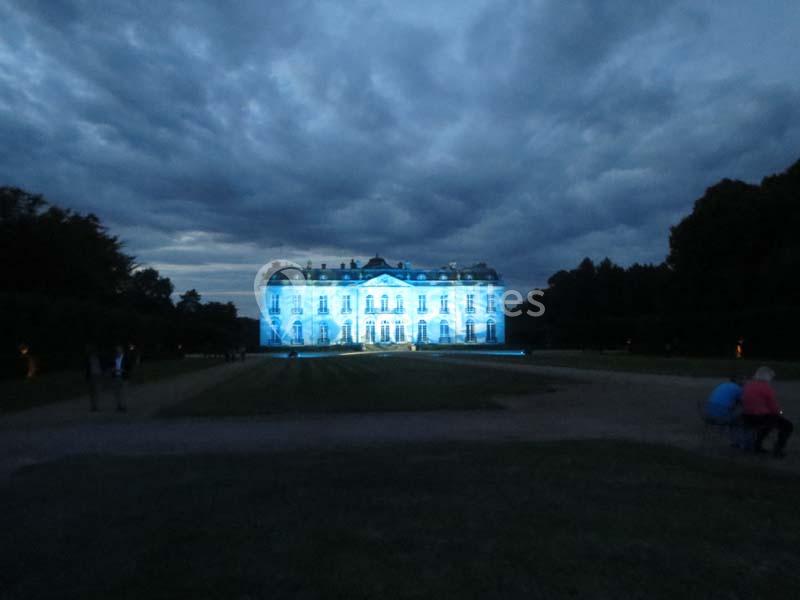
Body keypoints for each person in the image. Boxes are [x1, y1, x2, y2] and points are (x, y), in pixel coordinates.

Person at [741, 366, 794, 458]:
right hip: (760, 418)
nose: (771, 380)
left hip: (746, 417)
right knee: (788, 426)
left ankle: (757, 445)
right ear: (768, 377)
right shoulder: (766, 388)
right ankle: (778, 449)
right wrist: (780, 412)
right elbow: (774, 407)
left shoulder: (749, 385)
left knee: (769, 424)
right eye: (771, 377)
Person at [111, 344, 131, 413]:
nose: (118, 351)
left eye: (119, 349)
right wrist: (113, 370)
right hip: (116, 377)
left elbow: (129, 368)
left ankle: (125, 406)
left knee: (124, 392)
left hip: (123, 377)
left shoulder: (125, 358)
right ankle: (119, 406)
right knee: (117, 392)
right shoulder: (114, 358)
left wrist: (123, 370)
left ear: (122, 350)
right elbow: (111, 366)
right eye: (117, 349)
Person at [85, 344, 103, 411]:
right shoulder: (89, 358)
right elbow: (87, 368)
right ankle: (93, 406)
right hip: (92, 376)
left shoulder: (98, 358)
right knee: (92, 392)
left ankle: (96, 406)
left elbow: (102, 366)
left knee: (96, 392)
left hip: (97, 375)